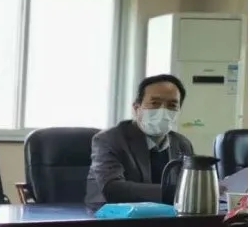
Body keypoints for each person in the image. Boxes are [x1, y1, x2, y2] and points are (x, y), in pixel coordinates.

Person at [84, 74, 195, 208]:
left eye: (172, 105)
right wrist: (178, 192)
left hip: (169, 216)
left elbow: (192, 184)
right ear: (137, 108)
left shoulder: (182, 143)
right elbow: (113, 189)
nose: (163, 111)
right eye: (155, 103)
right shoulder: (109, 139)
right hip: (114, 217)